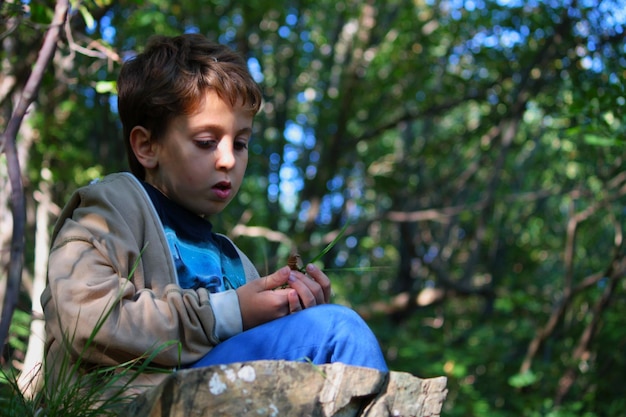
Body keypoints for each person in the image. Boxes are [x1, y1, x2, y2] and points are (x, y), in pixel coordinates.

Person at [41, 33, 387, 398]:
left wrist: (293, 313)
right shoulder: (112, 207)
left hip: (219, 394)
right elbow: (84, 318)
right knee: (337, 329)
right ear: (146, 146)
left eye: (240, 143)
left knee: (324, 326)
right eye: (207, 142)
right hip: (132, 403)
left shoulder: (233, 259)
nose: (228, 160)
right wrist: (229, 312)